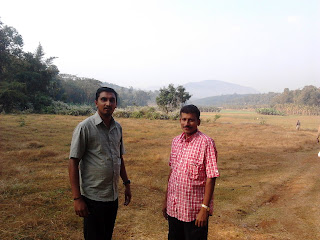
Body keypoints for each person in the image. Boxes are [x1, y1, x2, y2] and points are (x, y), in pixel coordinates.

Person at [68, 87, 131, 240]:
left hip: (112, 196)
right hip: (93, 198)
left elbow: (119, 158)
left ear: (116, 105)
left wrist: (126, 184)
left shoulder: (118, 128)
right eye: (104, 99)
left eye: (112, 100)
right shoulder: (85, 127)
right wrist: (77, 199)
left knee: (106, 236)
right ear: (96, 102)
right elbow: (73, 162)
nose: (108, 103)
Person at [162, 104, 219, 240]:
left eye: (191, 120)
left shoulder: (206, 143)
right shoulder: (176, 141)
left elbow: (211, 177)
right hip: (174, 208)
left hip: (194, 212)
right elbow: (173, 173)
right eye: (184, 119)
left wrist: (204, 209)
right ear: (180, 120)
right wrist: (166, 201)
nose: (187, 123)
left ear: (198, 122)